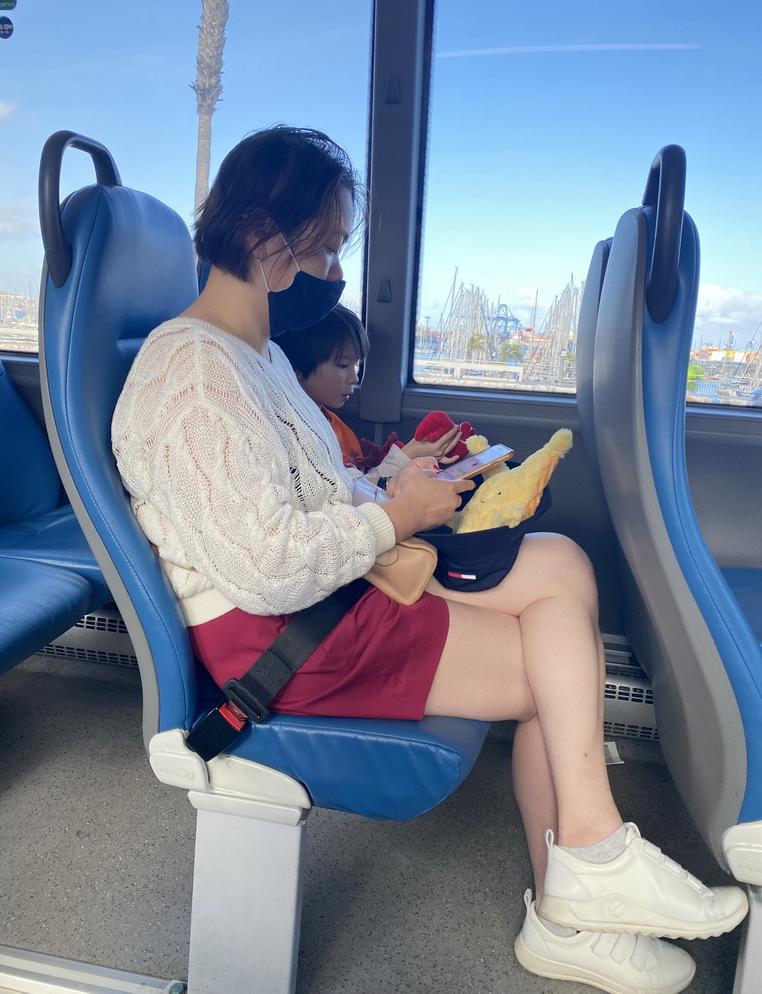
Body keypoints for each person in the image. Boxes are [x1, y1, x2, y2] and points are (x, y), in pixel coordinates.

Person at [112, 124, 747, 994]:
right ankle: (577, 892)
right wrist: (392, 519)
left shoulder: (252, 358)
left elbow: (301, 490)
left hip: (317, 599)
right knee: (552, 670)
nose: (335, 272)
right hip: (278, 638)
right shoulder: (192, 377)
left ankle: (588, 869)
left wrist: (385, 480)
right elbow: (265, 564)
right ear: (264, 236)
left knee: (562, 566)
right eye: (327, 248)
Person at [273, 302, 462, 473]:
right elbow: (354, 497)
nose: (354, 378)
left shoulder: (340, 429)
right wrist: (409, 455)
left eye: (355, 365)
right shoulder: (293, 438)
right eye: (342, 365)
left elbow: (361, 487)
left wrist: (414, 455)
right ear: (295, 367)